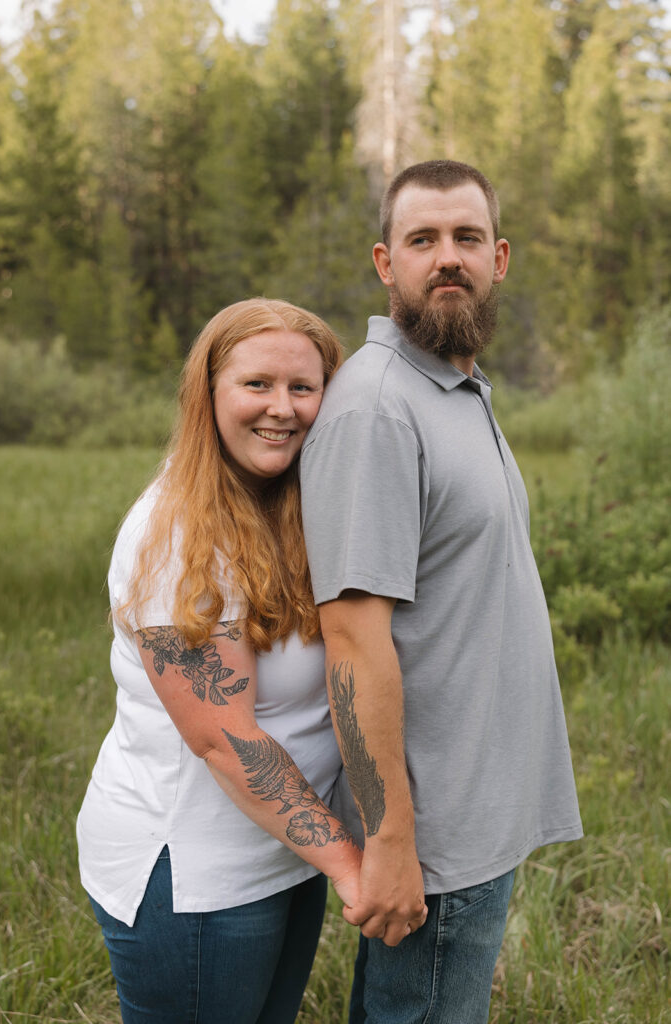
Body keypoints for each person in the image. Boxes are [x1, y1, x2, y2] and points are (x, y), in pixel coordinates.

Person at [300, 160, 583, 1024]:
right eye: (422, 239)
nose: (446, 257)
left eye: (465, 238)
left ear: (499, 258)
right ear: (386, 264)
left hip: (473, 817)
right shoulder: (377, 410)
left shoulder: (453, 391)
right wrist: (390, 840)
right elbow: (350, 638)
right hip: (433, 838)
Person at [77, 298, 360, 1024]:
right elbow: (224, 739)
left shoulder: (289, 506)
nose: (282, 408)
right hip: (195, 879)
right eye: (256, 384)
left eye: (303, 387)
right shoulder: (174, 535)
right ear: (208, 395)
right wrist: (354, 869)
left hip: (283, 856)